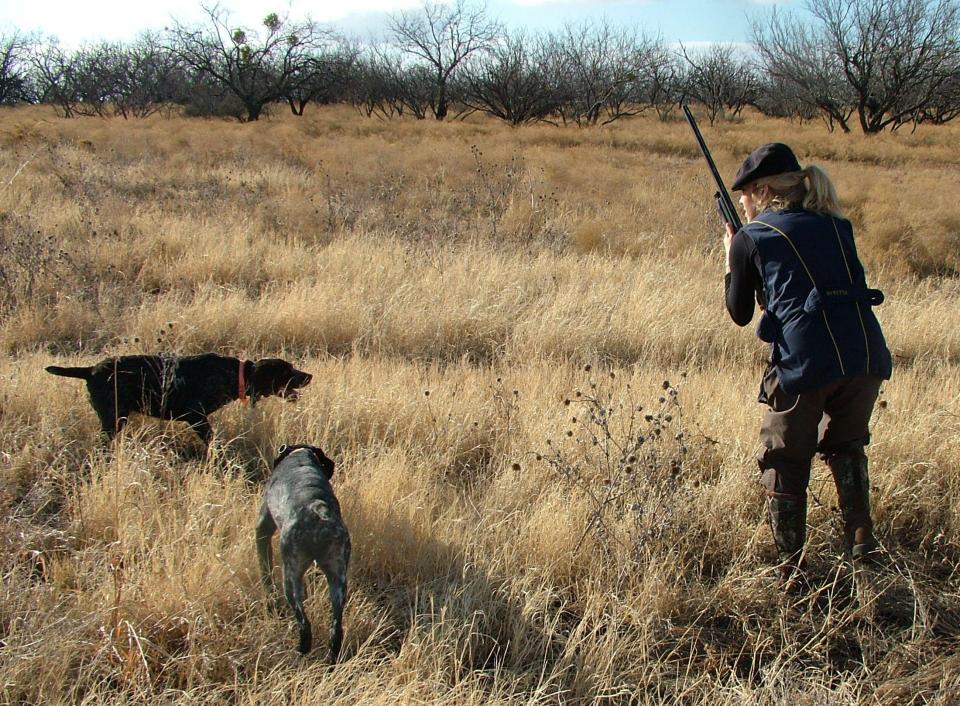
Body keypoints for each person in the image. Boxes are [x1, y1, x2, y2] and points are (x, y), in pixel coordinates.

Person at [722, 143, 892, 589]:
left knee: (785, 458)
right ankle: (862, 554)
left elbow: (739, 313)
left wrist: (730, 255)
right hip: (864, 355)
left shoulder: (750, 236)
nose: (742, 203)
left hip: (804, 363)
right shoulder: (837, 224)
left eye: (744, 195)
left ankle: (790, 575)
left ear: (760, 190)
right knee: (847, 447)